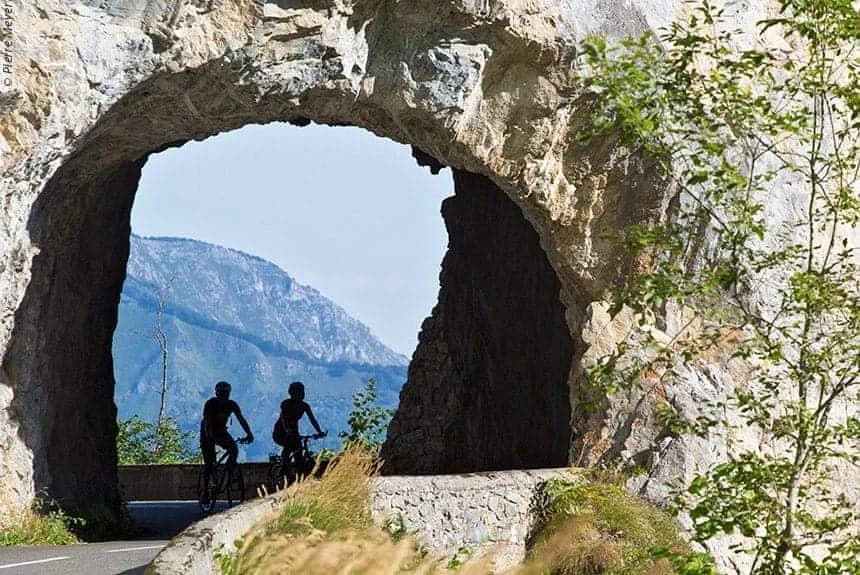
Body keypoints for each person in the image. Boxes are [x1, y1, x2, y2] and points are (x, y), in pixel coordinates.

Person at [200, 381, 254, 491]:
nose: (224, 395)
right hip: (207, 433)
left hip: (220, 432)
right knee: (209, 463)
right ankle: (205, 490)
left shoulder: (231, 404)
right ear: (217, 393)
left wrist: (249, 433)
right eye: (222, 392)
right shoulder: (210, 404)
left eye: (226, 392)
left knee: (234, 450)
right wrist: (209, 437)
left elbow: (241, 419)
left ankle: (228, 475)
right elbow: (207, 422)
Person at [277, 381, 325, 484]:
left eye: (302, 392)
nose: (302, 394)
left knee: (299, 454)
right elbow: (283, 418)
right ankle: (283, 471)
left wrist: (319, 432)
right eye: (299, 392)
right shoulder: (285, 404)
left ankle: (299, 478)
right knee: (289, 447)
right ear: (292, 393)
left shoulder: (305, 406)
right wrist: (287, 429)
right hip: (280, 432)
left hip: (294, 431)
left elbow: (312, 420)